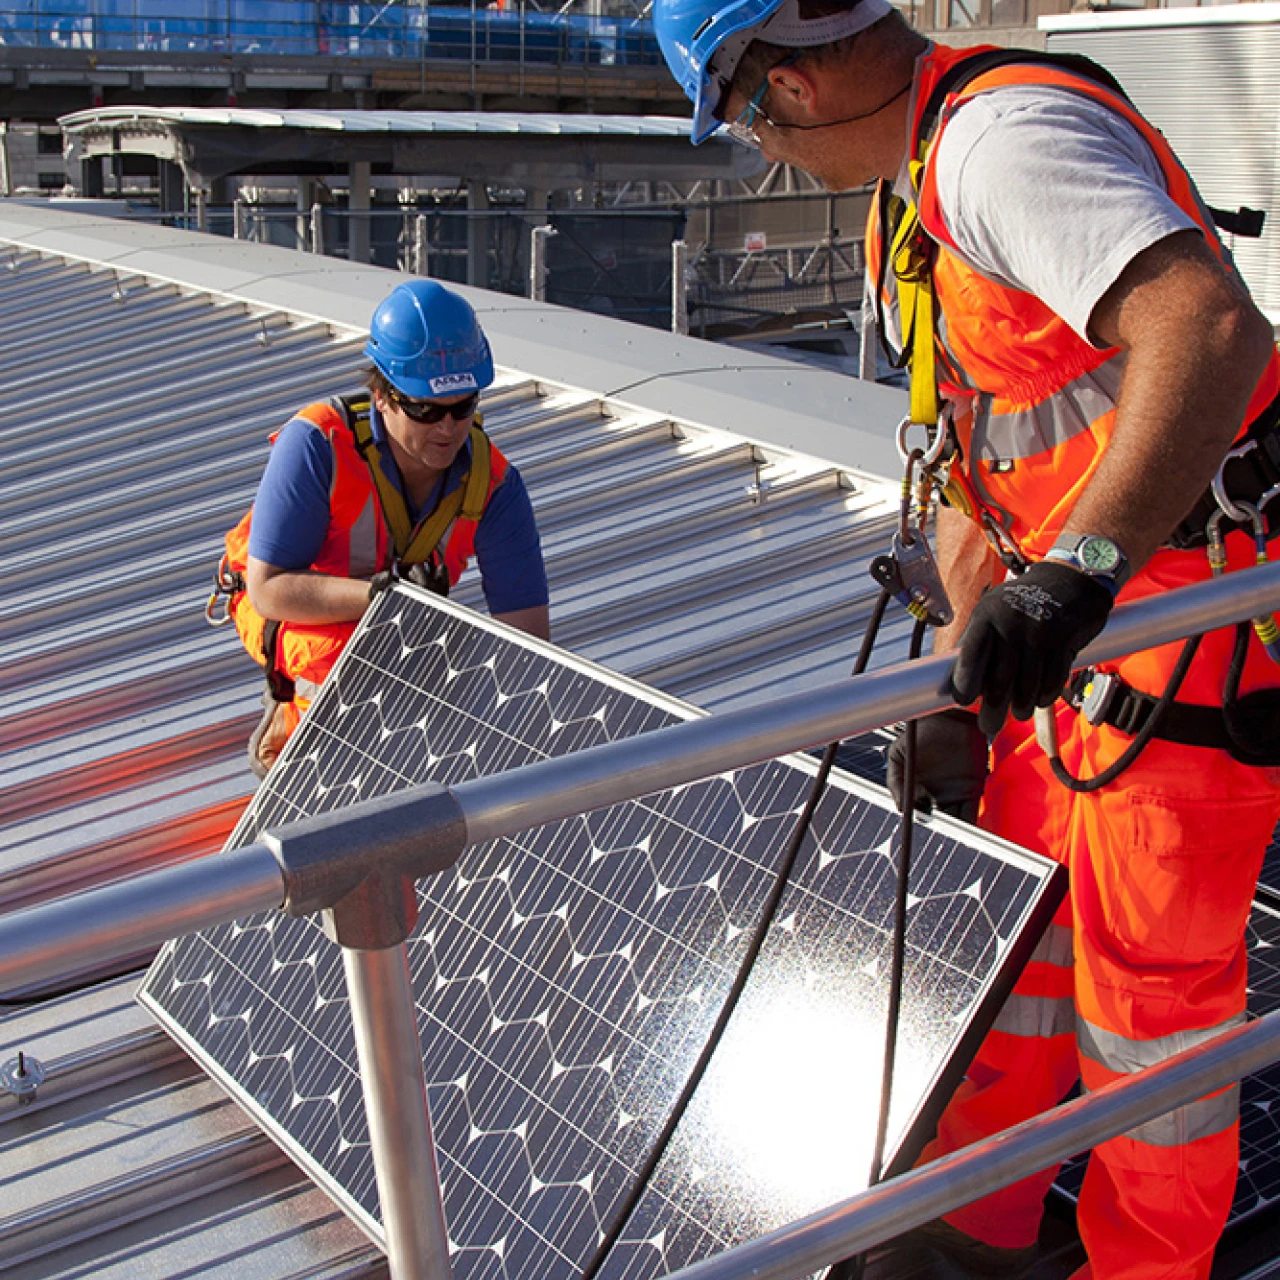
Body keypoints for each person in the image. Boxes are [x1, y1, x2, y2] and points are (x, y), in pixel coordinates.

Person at [652, 0, 1280, 1276]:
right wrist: (954, 677)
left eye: (744, 120)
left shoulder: (999, 144)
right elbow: (974, 453)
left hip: (1178, 642)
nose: (763, 154)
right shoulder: (920, 178)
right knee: (1020, 958)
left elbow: (1208, 333)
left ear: (794, 84)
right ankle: (965, 1235)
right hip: (1072, 656)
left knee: (1151, 1030)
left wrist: (1074, 575)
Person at [238, 278, 549, 773]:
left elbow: (528, 640)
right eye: (425, 409)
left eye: (462, 407)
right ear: (381, 395)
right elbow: (267, 589)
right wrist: (384, 595)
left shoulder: (495, 486)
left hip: (405, 624)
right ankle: (295, 739)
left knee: (443, 658)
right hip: (307, 615)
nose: (447, 428)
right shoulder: (318, 445)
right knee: (341, 656)